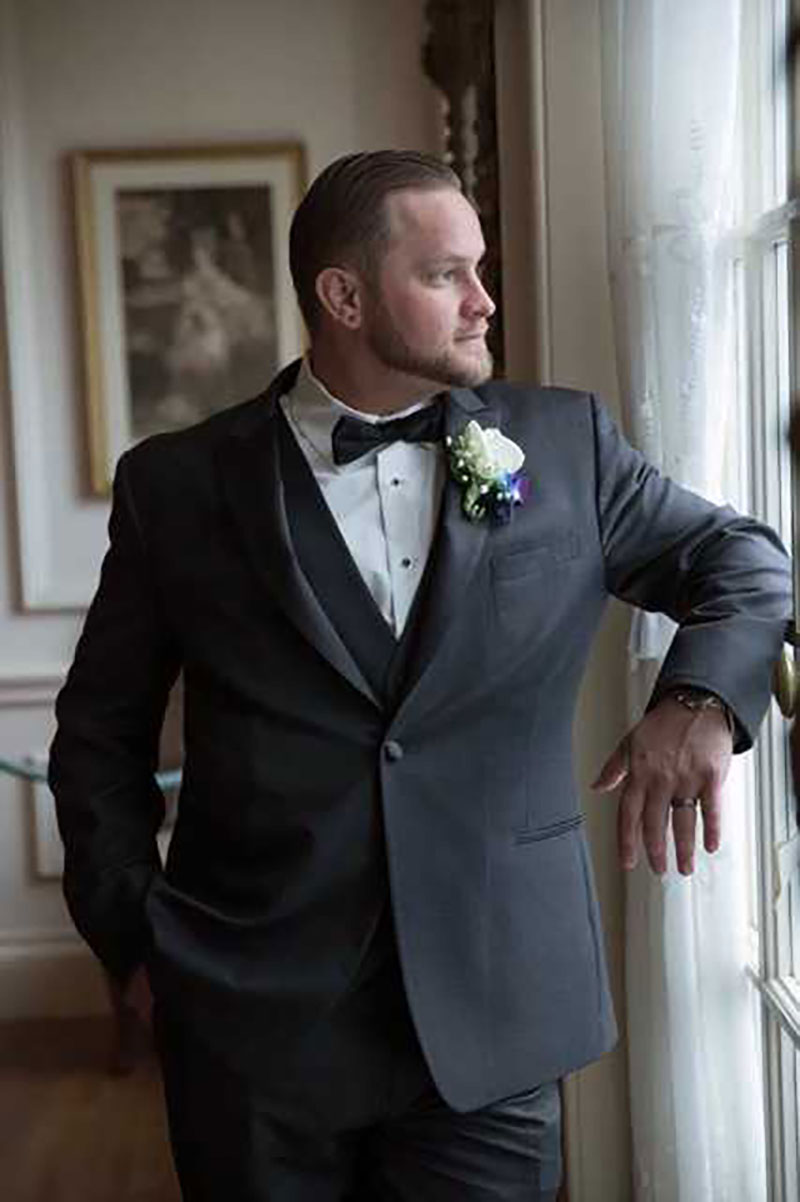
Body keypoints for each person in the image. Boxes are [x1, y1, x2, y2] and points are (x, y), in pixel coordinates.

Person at [50, 150, 791, 1201]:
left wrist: (700, 698)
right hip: (250, 1023)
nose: (484, 301)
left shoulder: (564, 444)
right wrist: (137, 945)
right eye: (445, 274)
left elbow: (745, 561)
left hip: (496, 1019)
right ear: (342, 296)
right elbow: (97, 737)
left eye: (478, 269)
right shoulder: (177, 485)